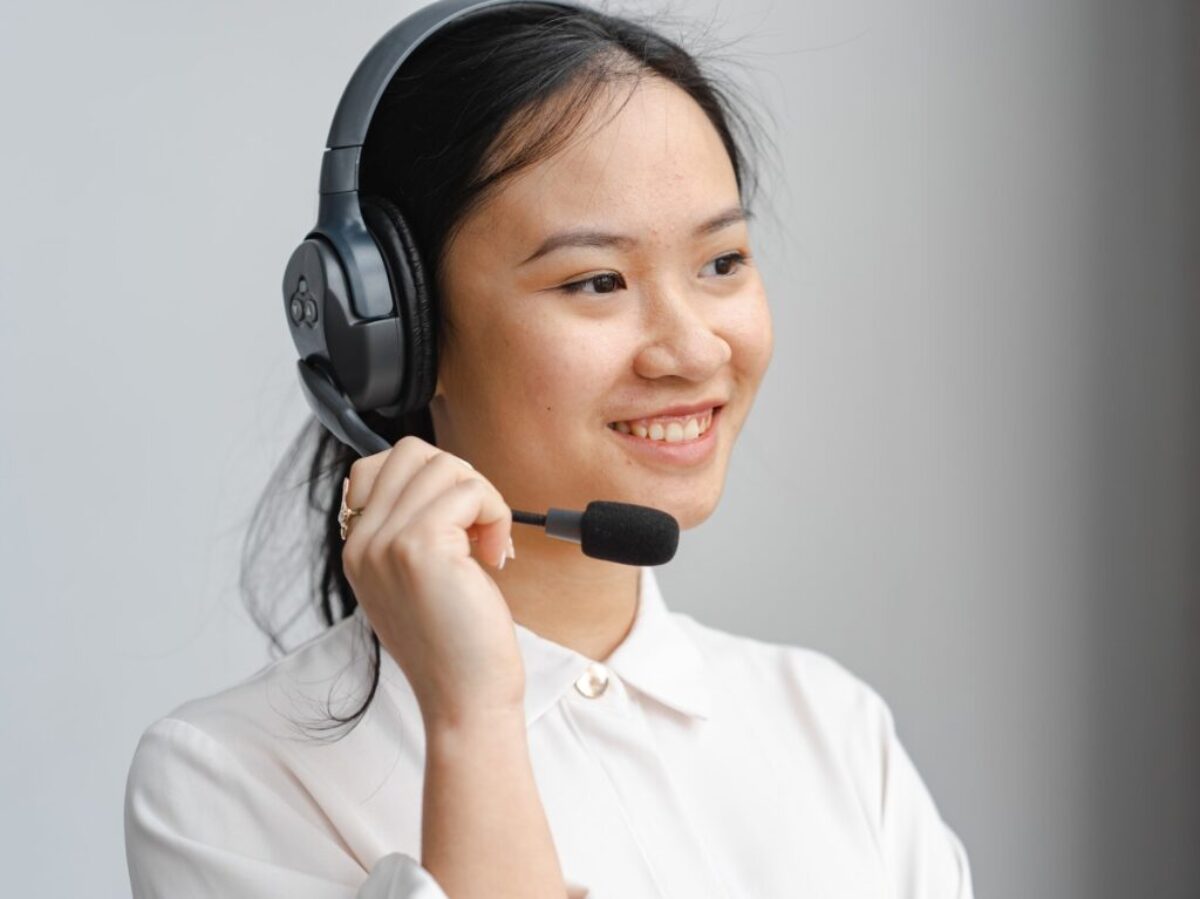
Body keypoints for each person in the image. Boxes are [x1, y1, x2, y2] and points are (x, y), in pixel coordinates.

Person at [123, 2, 975, 897]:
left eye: (721, 261)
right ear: (398, 336)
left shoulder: (833, 730)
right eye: (597, 280)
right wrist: (472, 721)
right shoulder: (229, 782)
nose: (693, 350)